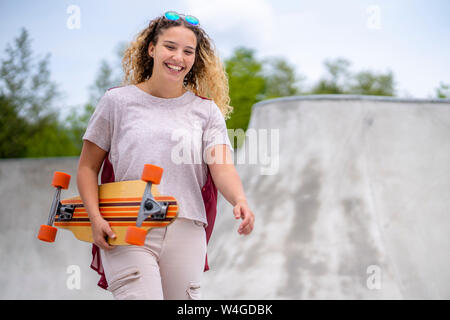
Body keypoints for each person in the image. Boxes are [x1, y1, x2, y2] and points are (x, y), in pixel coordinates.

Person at [77, 11, 255, 300]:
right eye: (170, 47)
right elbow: (87, 167)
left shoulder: (206, 111)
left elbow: (222, 168)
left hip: (186, 228)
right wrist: (95, 218)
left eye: (188, 51)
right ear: (152, 49)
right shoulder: (117, 102)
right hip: (126, 225)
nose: (178, 57)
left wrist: (240, 200)